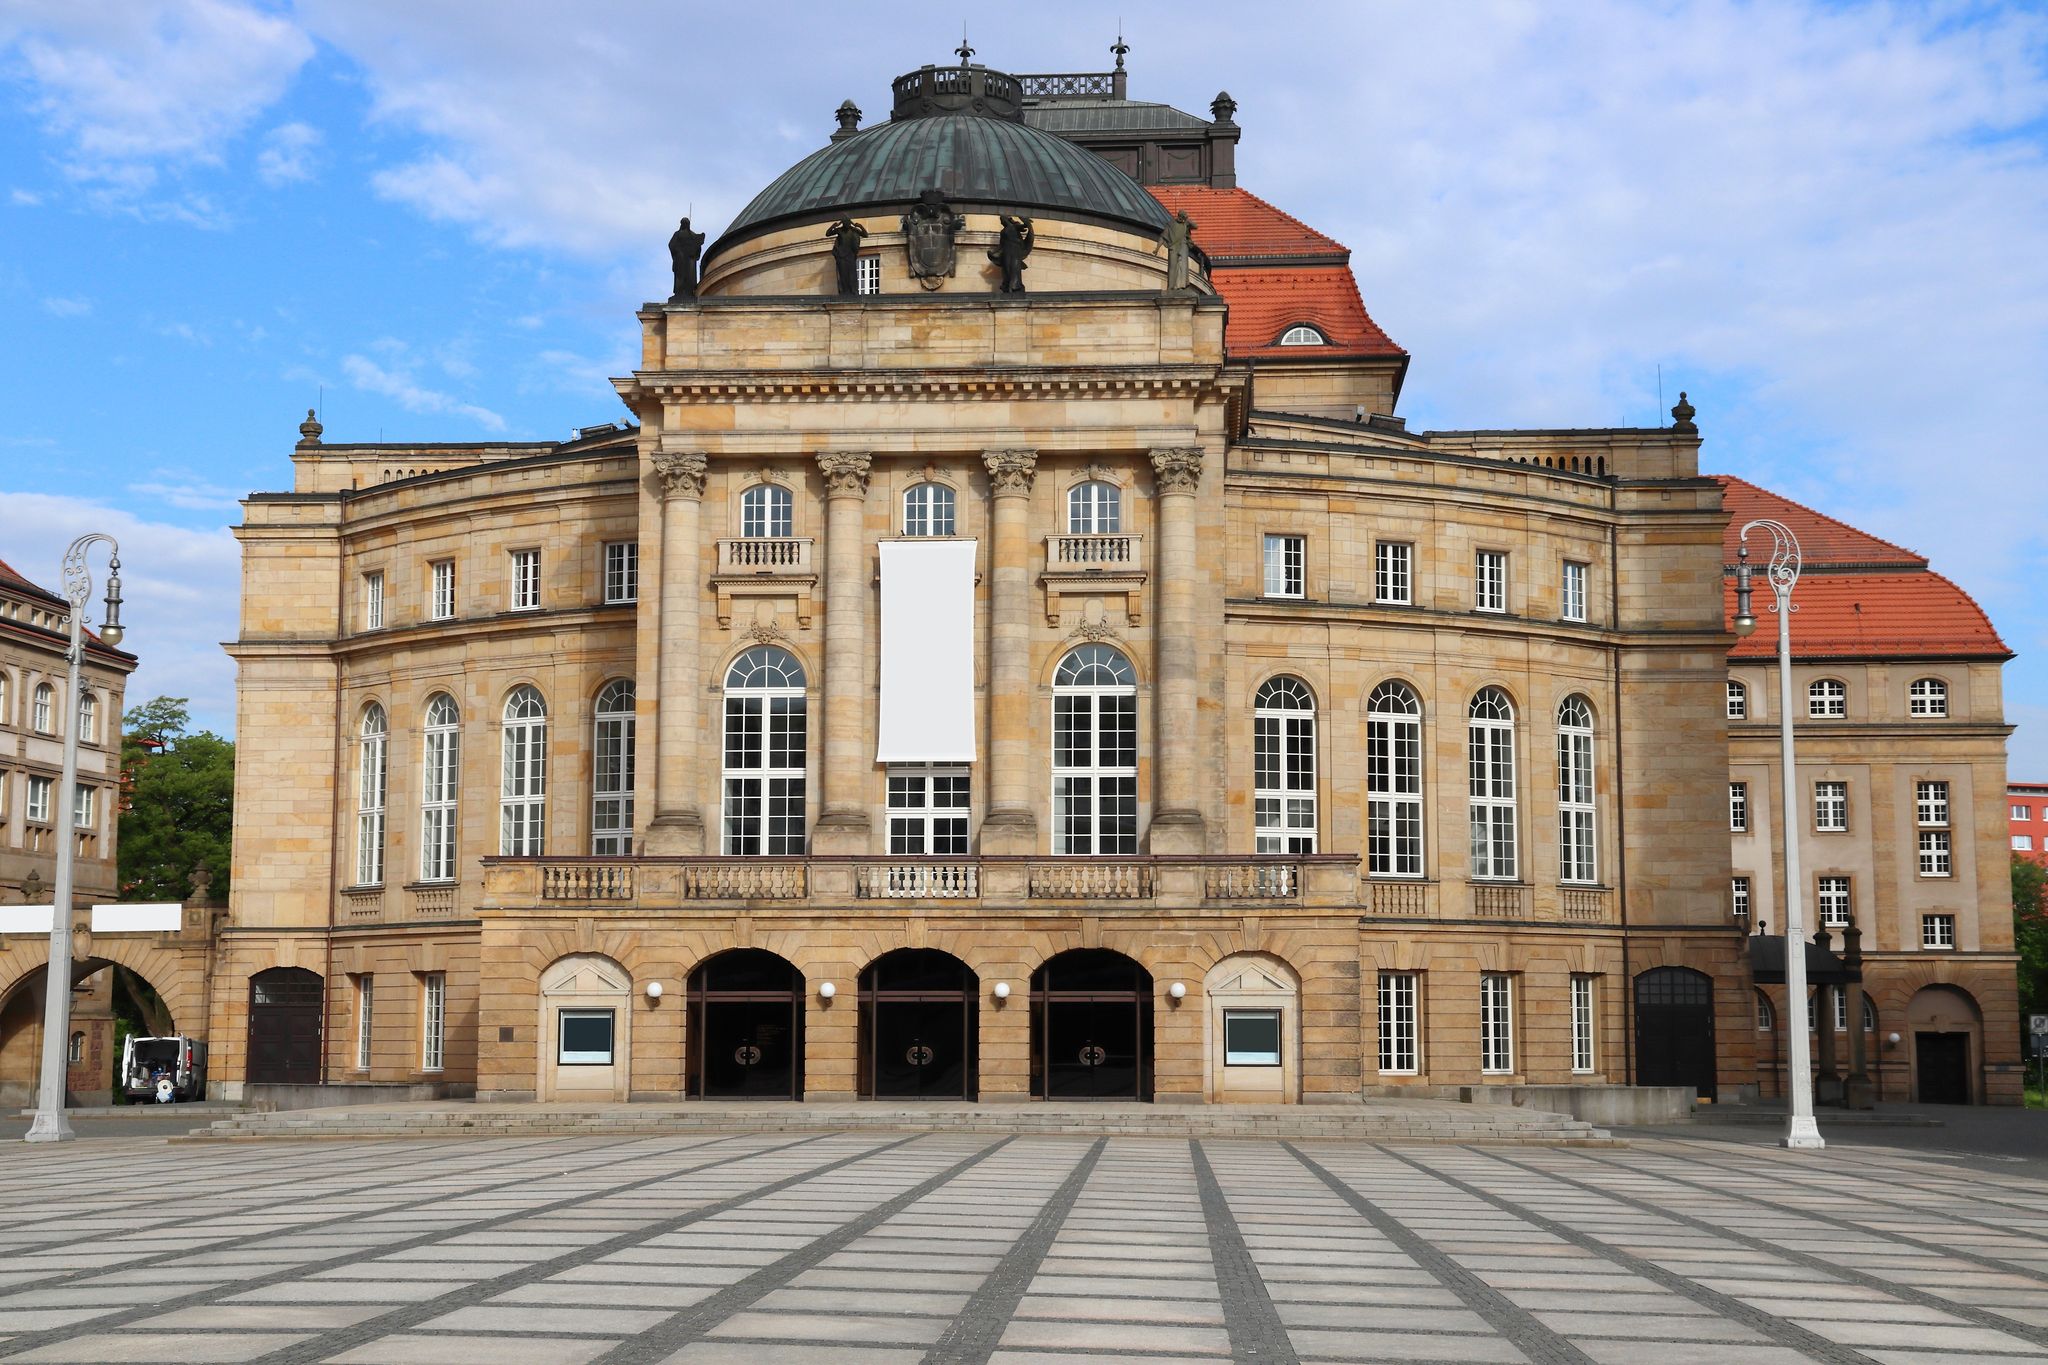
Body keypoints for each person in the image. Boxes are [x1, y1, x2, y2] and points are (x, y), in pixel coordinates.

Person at [988, 214, 1034, 293]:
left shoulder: (1014, 227)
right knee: (1007, 268)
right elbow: (1001, 244)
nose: (1002, 222)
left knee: (1014, 268)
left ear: (1005, 220)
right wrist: (992, 252)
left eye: (1002, 220)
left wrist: (1024, 220)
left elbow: (1025, 226)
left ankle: (1016, 286)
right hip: (1006, 251)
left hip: (1015, 251)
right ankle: (1007, 285)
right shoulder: (1003, 231)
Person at [826, 218, 868, 295]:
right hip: (841, 255)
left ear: (850, 224)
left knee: (852, 273)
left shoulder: (854, 230)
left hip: (850, 255)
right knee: (843, 274)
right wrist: (834, 225)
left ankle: (853, 290)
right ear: (843, 224)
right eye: (845, 224)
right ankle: (845, 291)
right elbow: (828, 233)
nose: (846, 225)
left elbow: (865, 235)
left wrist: (860, 226)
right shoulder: (840, 230)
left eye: (848, 224)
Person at [669, 216, 705, 300]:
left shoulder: (692, 234)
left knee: (690, 276)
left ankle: (689, 293)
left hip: (689, 259)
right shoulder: (677, 234)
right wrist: (677, 251)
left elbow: (697, 244)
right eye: (684, 223)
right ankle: (679, 293)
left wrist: (701, 238)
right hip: (680, 259)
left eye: (686, 223)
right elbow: (671, 244)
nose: (685, 224)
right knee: (680, 276)